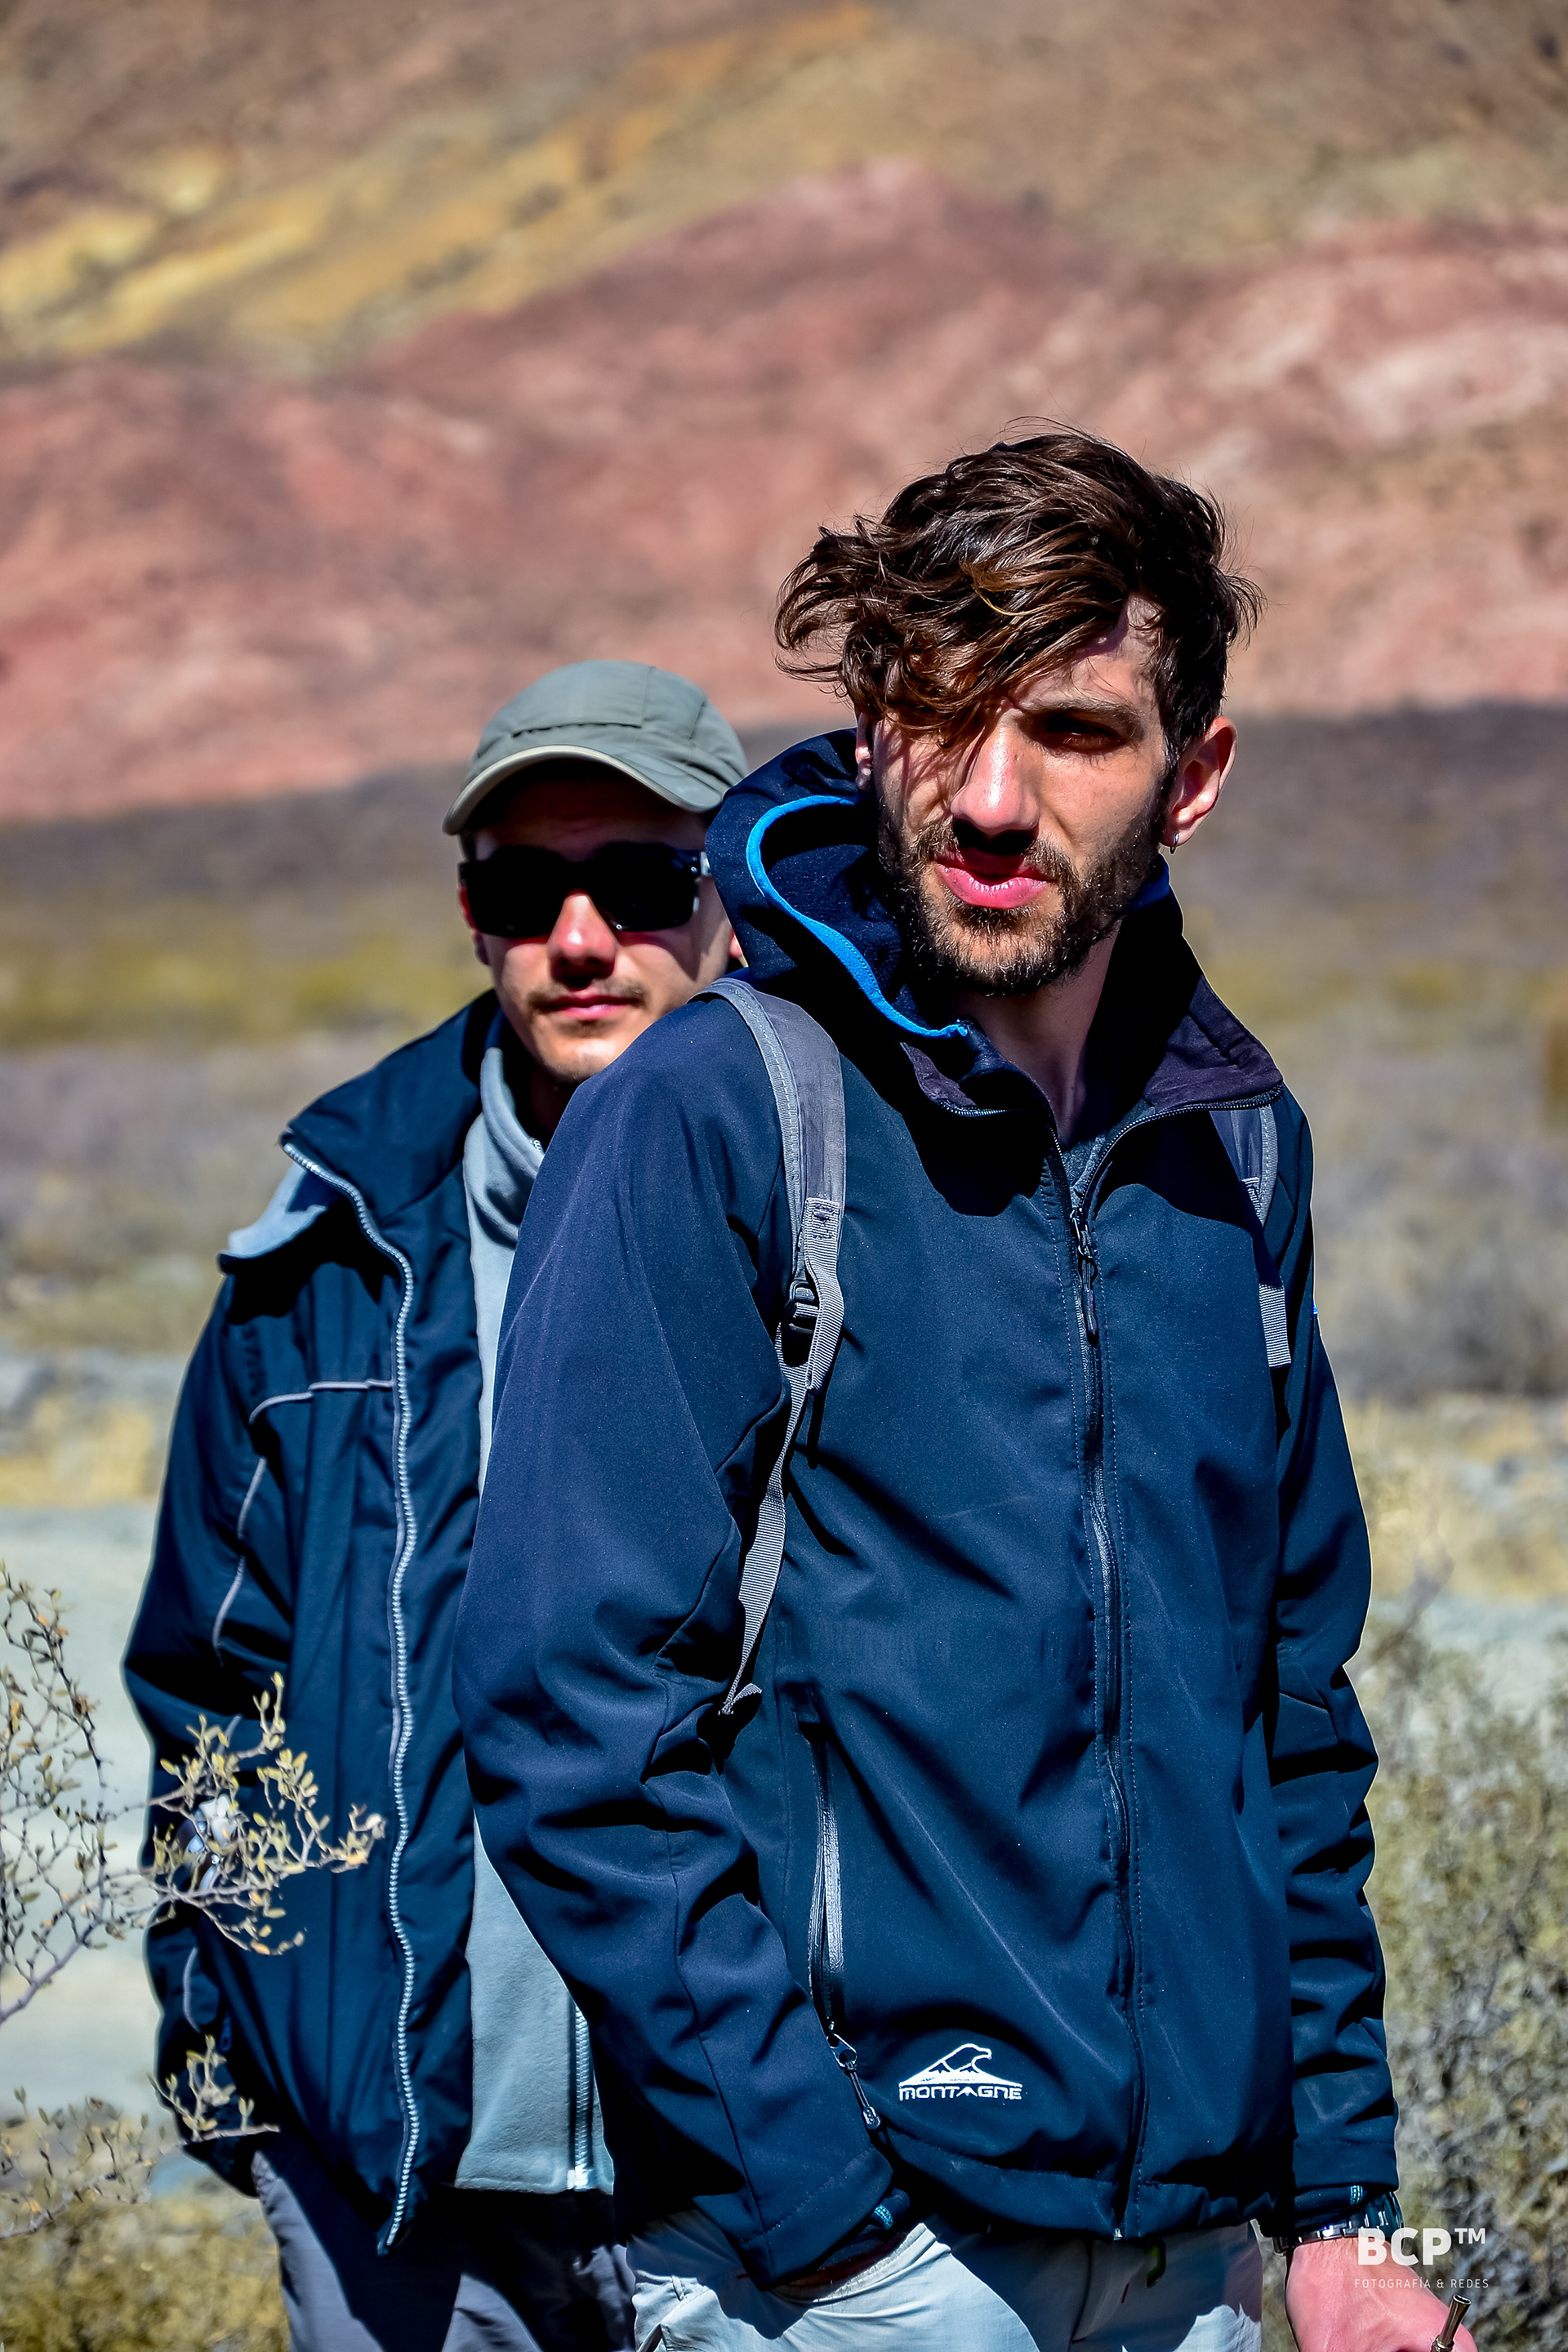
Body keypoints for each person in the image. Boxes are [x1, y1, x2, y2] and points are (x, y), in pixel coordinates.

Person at [454, 438, 1476, 2352]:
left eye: (1077, 732)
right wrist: (835, 2229)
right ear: (866, 736)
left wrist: (1343, 2210)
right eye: (939, 719)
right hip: (853, 2266)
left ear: (1196, 777)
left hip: (1192, 2269)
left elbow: (1288, 1714)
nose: (993, 802)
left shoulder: (1232, 1155)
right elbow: (569, 1713)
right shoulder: (718, 1116)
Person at [124, 661, 746, 2352]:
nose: (579, 934)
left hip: (759, 2176)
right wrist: (235, 2069)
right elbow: (210, 1678)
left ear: (739, 887)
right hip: (390, 2180)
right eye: (518, 885)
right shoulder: (327, 1253)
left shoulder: (861, 1223)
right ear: (468, 908)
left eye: (641, 882)